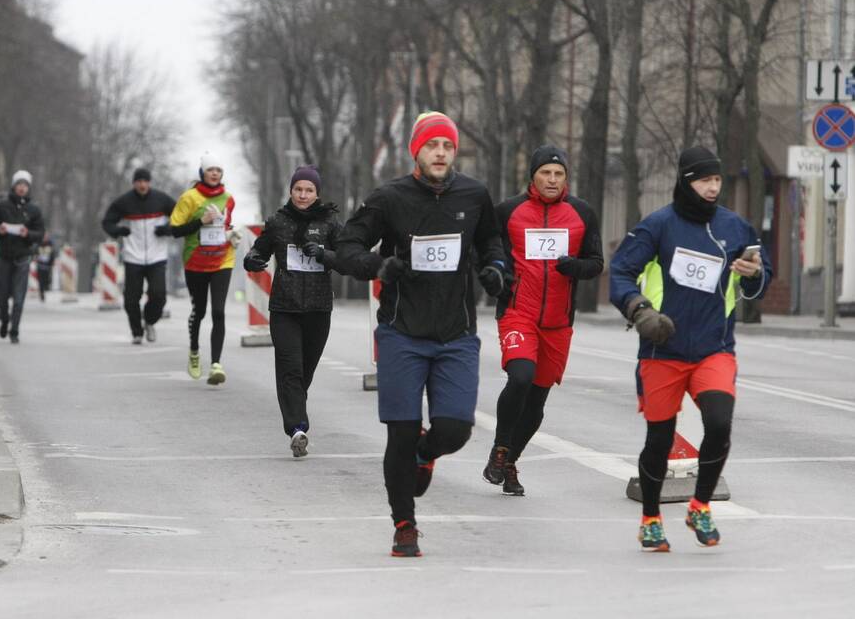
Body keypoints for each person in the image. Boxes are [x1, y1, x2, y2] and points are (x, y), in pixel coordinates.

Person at [335, 112, 507, 557]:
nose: (440, 153)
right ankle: (404, 524)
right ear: (417, 150)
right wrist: (379, 266)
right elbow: (348, 247)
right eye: (432, 145)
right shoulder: (389, 198)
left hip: (456, 334)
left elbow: (492, 242)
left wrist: (495, 270)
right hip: (402, 334)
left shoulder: (474, 195)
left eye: (448, 146)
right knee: (401, 432)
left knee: (455, 429)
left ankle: (427, 452)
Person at [609, 146, 770, 552]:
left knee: (719, 423)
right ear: (685, 181)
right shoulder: (659, 225)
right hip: (662, 348)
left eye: (717, 180)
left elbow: (759, 283)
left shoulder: (735, 228)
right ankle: (650, 517)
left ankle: (699, 505)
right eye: (704, 180)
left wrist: (753, 275)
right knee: (659, 440)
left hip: (714, 348)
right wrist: (640, 310)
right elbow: (622, 273)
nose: (713, 187)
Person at [482, 145, 604, 496]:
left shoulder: (582, 213)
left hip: (558, 322)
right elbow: (490, 254)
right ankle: (500, 448)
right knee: (520, 376)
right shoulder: (508, 211)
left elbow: (596, 262)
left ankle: (510, 462)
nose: (552, 179)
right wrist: (498, 277)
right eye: (546, 173)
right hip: (518, 312)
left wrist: (575, 267)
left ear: (566, 178)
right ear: (533, 176)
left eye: (559, 173)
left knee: (536, 402)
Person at [244, 165, 341, 458]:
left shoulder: (331, 223)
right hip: (284, 307)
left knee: (304, 372)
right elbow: (258, 250)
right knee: (290, 368)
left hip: (318, 309)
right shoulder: (278, 222)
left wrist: (325, 254)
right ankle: (297, 428)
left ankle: (296, 409)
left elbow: (348, 259)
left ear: (317, 193)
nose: (303, 195)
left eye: (309, 190)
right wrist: (252, 260)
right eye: (298, 189)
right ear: (290, 191)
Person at [170, 153, 240, 384]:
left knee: (218, 311)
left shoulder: (229, 198)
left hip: (222, 260)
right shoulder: (189, 198)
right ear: (203, 173)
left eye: (219, 170)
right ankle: (194, 352)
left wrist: (232, 235)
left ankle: (216, 365)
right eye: (211, 169)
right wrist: (202, 221)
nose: (215, 173)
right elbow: (176, 230)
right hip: (195, 262)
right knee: (199, 311)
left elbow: (226, 225)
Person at [101, 167, 176, 344]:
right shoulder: (124, 202)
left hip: (157, 255)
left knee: (159, 295)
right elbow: (107, 222)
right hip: (133, 256)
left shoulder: (161, 199)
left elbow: (181, 215)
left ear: (149, 182)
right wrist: (119, 230)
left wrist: (168, 229)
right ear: (134, 183)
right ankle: (137, 332)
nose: (142, 184)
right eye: (138, 181)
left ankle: (149, 321)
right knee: (130, 299)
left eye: (145, 181)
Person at [0, 170, 45, 344]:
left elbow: (40, 233)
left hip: (23, 258)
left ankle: (14, 330)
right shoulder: (2, 206)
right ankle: (4, 320)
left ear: (28, 188)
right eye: (19, 184)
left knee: (19, 298)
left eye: (25, 185)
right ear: (14, 186)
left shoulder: (34, 209)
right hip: (4, 257)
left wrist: (28, 234)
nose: (22, 188)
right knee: (2, 297)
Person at [36, 234, 55, 301]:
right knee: (40, 281)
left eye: (46, 237)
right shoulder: (39, 244)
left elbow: (53, 254)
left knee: (46, 280)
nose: (45, 238)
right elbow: (36, 253)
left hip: (47, 266)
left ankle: (45, 289)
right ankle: (41, 292)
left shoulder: (50, 245)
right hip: (40, 266)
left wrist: (52, 262)